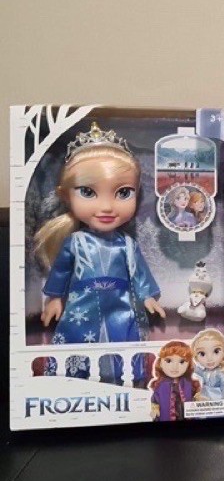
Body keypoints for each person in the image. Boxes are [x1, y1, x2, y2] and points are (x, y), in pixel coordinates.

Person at [35, 121, 165, 384]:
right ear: (65, 195)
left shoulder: (126, 244)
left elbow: (139, 272)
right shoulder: (75, 242)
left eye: (123, 193)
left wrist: (147, 295)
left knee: (121, 343)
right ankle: (74, 382)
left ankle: (124, 384)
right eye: (88, 192)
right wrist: (55, 299)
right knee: (78, 341)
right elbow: (61, 272)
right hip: (81, 305)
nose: (106, 206)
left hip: (121, 305)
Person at [149, 341, 201, 421]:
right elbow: (155, 400)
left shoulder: (189, 384)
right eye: (168, 361)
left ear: (188, 365)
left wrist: (198, 399)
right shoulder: (160, 385)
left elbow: (195, 398)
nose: (175, 367)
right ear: (160, 363)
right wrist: (155, 409)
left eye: (182, 362)